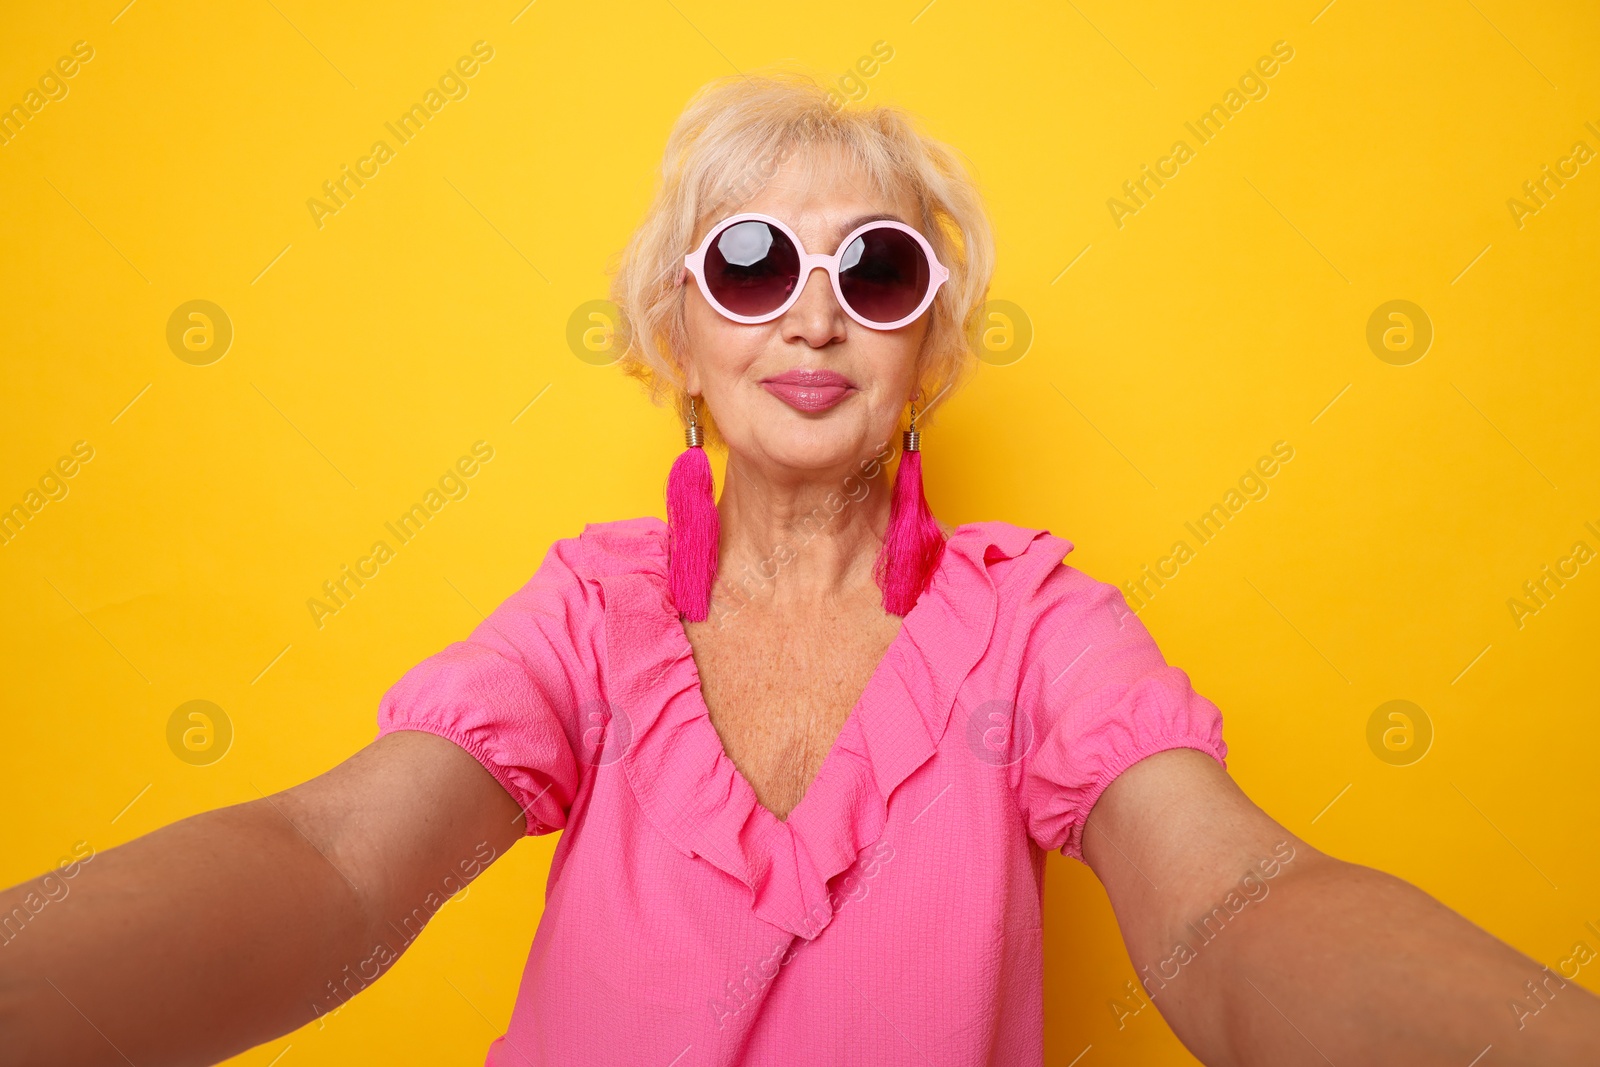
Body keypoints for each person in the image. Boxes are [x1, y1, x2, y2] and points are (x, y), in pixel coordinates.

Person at [1, 71, 1594, 1067]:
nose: (813, 313)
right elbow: (336, 862)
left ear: (932, 352)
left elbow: (1231, 908)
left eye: (875, 270)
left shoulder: (1038, 629)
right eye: (750, 264)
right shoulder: (587, 613)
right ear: (676, 340)